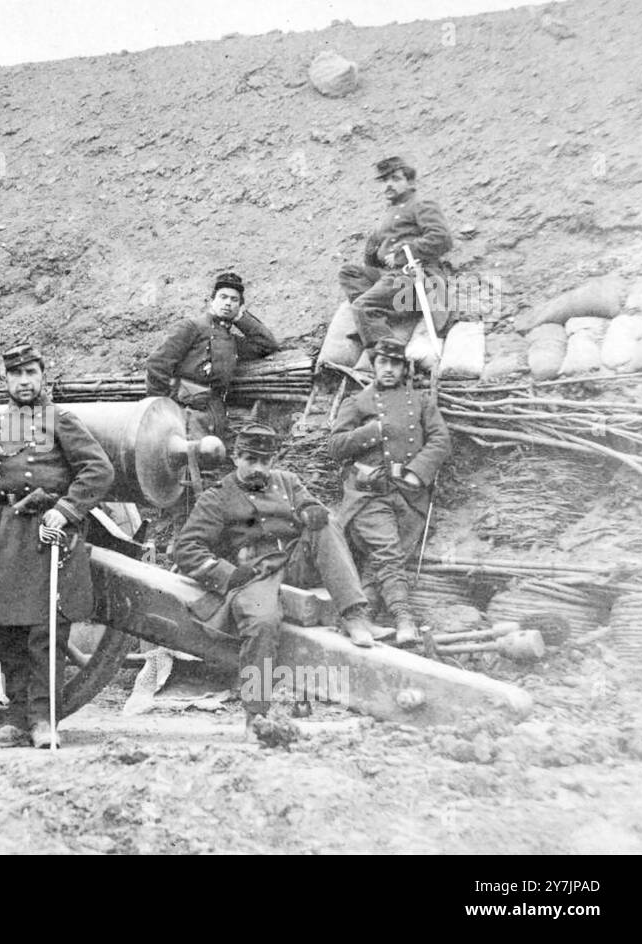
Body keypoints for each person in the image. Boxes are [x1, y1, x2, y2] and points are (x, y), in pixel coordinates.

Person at [173, 423, 385, 723]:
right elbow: (187, 548)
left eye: (265, 461)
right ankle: (256, 714)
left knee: (325, 522)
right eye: (251, 460)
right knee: (261, 623)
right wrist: (228, 575)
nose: (258, 468)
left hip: (295, 562)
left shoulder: (287, 482)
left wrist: (310, 511)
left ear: (274, 461)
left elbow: (308, 504)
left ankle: (354, 614)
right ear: (236, 458)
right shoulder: (217, 497)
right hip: (255, 574)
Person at [0, 343, 114, 749]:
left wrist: (66, 509)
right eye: (16, 375)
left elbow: (98, 470)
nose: (24, 382)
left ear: (43, 376)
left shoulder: (60, 420)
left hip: (48, 535)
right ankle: (15, 720)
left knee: (44, 633)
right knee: (4, 632)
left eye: (31, 373)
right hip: (5, 535)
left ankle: (44, 721)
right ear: (6, 380)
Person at [327, 337, 452, 645]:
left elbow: (440, 441)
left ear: (404, 368)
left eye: (395, 364)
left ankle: (363, 618)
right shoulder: (358, 402)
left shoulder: (422, 401)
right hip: (370, 493)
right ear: (375, 364)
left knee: (382, 559)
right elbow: (335, 446)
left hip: (409, 494)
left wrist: (416, 473)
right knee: (387, 552)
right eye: (383, 362)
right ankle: (403, 617)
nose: (389, 369)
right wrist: (373, 432)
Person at [334, 156, 454, 350]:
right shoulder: (391, 211)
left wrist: (403, 253)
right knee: (349, 272)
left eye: (396, 179)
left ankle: (385, 351)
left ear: (410, 182)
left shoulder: (421, 204)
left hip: (414, 276)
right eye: (384, 181)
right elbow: (380, 250)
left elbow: (442, 239)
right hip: (392, 277)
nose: (388, 185)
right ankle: (377, 318)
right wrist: (374, 250)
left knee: (362, 306)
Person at [145, 271, 279, 440]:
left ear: (239, 306)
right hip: (186, 413)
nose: (228, 303)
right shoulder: (191, 327)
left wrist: (242, 319)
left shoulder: (232, 341)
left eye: (234, 300)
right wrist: (164, 408)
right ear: (211, 301)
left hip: (216, 414)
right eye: (223, 297)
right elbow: (157, 365)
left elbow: (267, 344)